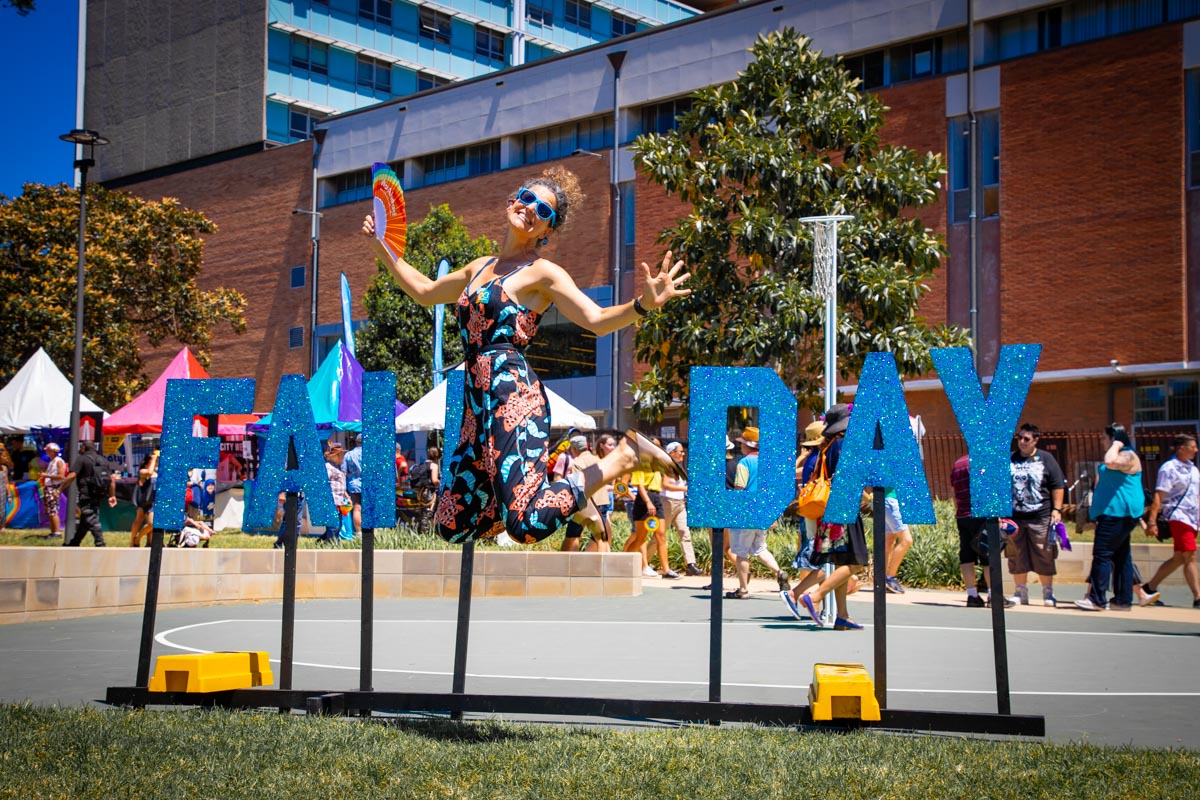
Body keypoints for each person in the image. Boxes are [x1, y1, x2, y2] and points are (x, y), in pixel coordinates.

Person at [361, 166, 689, 544]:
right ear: (512, 201)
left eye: (544, 211)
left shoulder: (542, 273)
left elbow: (596, 319)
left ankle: (621, 459)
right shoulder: (477, 267)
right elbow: (424, 289)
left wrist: (642, 305)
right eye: (528, 198)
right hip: (476, 402)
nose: (531, 209)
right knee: (453, 523)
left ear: (547, 231)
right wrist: (380, 247)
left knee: (525, 526)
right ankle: (568, 493)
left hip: (513, 395)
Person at [781, 404, 866, 630]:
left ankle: (843, 616)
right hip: (844, 508)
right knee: (857, 561)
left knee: (841, 562)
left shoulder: (826, 447)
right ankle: (816, 596)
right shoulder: (841, 445)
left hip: (829, 511)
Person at [1073, 425, 1145, 611]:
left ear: (1114, 438)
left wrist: (1117, 443)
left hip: (1118, 514)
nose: (1102, 441)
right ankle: (1122, 600)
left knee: (1102, 554)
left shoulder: (1128, 455)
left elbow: (1111, 461)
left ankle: (1097, 599)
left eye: (1105, 438)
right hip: (1112, 513)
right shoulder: (1122, 455)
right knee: (1121, 556)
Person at [1007, 423, 1066, 607]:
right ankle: (1020, 591)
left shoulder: (1046, 458)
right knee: (1016, 555)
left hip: (1040, 516)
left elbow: (1057, 485)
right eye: (1020, 438)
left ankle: (1048, 593)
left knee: (1044, 553)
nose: (1022, 442)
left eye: (1026, 439)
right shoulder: (1011, 459)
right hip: (1016, 517)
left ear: (1035, 440)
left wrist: (1057, 510)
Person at [726, 427, 789, 599]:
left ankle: (743, 589)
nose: (741, 447)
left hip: (746, 512)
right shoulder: (769, 464)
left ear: (748, 445)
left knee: (741, 552)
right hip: (762, 512)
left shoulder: (744, 463)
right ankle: (779, 572)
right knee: (760, 548)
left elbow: (740, 488)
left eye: (743, 444)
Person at [1141, 434, 1200, 607]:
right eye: (1193, 446)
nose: (1196, 450)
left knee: (1179, 558)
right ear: (1182, 448)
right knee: (1190, 556)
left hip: (1192, 518)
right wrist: (1152, 522)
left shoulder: (1193, 469)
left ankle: (1149, 587)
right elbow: (1159, 495)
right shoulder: (1168, 468)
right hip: (1178, 516)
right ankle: (1198, 597)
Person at [949, 453, 1013, 608]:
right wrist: (996, 515)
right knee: (988, 556)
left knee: (966, 556)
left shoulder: (958, 463)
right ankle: (993, 596)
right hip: (981, 515)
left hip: (963, 515)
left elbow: (953, 492)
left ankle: (972, 595)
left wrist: (960, 511)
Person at [60, 441, 116, 547]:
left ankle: (100, 543)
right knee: (85, 522)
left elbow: (72, 476)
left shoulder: (82, 459)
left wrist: (60, 488)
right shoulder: (103, 460)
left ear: (84, 448)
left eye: (81, 447)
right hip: (99, 494)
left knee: (91, 518)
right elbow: (111, 480)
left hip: (87, 494)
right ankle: (74, 543)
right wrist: (112, 495)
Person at [560, 435, 610, 552]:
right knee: (600, 537)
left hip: (585, 505)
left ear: (574, 449)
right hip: (602, 501)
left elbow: (579, 487)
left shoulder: (578, 463)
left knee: (573, 535)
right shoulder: (598, 460)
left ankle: (570, 565)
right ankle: (602, 567)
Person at [661, 441, 702, 575]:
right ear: (672, 453)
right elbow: (665, 485)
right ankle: (644, 562)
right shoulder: (667, 466)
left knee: (685, 533)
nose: (683, 453)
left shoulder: (678, 467)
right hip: (667, 501)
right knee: (660, 535)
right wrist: (684, 488)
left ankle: (691, 564)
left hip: (680, 503)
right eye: (680, 451)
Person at [319, 442, 353, 543]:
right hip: (332, 500)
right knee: (334, 526)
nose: (343, 457)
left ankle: (327, 542)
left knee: (338, 524)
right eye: (341, 455)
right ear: (336, 456)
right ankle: (332, 544)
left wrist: (347, 497)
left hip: (339, 500)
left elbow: (341, 486)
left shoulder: (336, 467)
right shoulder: (328, 467)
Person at [882, 488, 912, 594]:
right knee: (906, 540)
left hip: (890, 500)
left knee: (889, 542)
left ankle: (881, 580)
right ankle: (890, 577)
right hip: (890, 501)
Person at [130, 451, 159, 547]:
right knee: (141, 521)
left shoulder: (157, 473)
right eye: (153, 461)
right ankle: (133, 540)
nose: (156, 462)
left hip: (154, 501)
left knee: (151, 524)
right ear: (147, 463)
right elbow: (149, 473)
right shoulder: (143, 471)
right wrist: (154, 458)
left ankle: (144, 541)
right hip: (145, 501)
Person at [39, 442, 68, 538]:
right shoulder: (52, 461)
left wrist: (46, 475)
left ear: (52, 451)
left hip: (53, 487)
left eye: (48, 450)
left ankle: (57, 532)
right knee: (50, 511)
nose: (46, 452)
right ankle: (53, 531)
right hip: (49, 487)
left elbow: (61, 476)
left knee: (53, 510)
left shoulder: (58, 461)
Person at [343, 436, 365, 536]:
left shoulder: (348, 455)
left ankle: (359, 532)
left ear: (356, 442)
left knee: (357, 508)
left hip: (353, 484)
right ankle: (371, 532)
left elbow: (344, 471)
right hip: (368, 484)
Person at [0, 442, 12, 530]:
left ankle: (2, 526)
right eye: (3, 457)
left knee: (2, 509)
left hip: (2, 491)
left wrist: (9, 495)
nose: (5, 458)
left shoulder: (4, 468)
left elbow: (6, 482)